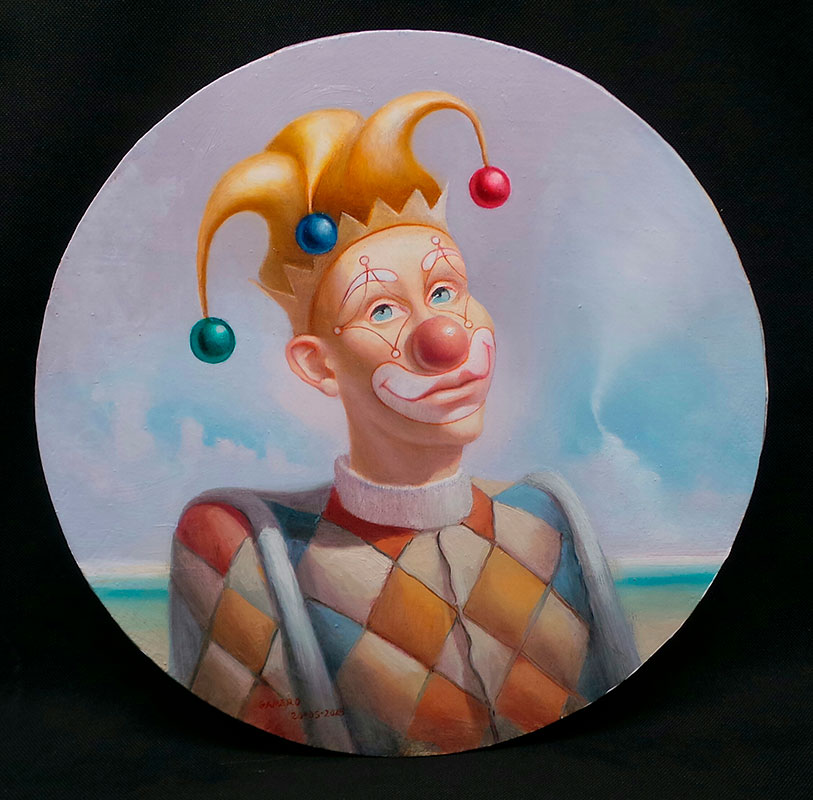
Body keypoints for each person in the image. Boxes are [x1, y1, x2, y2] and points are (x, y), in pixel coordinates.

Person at [168, 91, 640, 756]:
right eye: (382, 309)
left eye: (445, 291)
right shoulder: (245, 547)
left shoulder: (553, 521)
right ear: (318, 365)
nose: (444, 338)